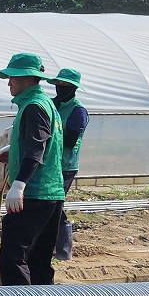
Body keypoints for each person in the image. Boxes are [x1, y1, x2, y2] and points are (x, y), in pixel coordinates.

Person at [0, 53, 67, 286]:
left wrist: (19, 184)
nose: (9, 82)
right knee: (38, 260)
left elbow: (36, 149)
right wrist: (13, 153)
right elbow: (43, 145)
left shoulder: (34, 107)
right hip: (51, 193)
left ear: (26, 79)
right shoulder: (45, 105)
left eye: (12, 77)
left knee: (13, 257)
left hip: (33, 194)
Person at [48, 68, 88, 260]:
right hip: (49, 163)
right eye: (59, 84)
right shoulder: (52, 104)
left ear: (74, 88)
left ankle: (63, 251)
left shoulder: (78, 111)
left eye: (66, 85)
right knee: (49, 205)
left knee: (57, 205)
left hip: (65, 166)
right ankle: (51, 248)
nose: (60, 88)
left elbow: (70, 139)